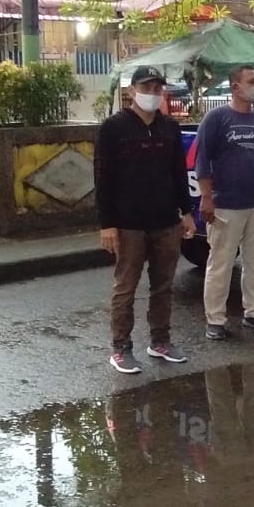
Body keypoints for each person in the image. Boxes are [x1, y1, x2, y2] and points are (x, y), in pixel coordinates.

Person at [96, 65, 195, 374]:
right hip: (129, 224)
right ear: (131, 91)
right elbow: (103, 177)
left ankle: (160, 341)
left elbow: (178, 173)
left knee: (163, 286)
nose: (152, 93)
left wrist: (186, 212)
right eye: (146, 87)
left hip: (166, 221)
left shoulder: (169, 128)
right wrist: (107, 224)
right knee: (126, 287)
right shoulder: (114, 128)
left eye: (157, 88)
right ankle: (121, 348)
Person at [195, 65, 254, 341]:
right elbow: (202, 161)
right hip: (226, 204)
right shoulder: (216, 118)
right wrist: (206, 198)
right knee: (221, 264)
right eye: (252, 81)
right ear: (235, 87)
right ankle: (215, 319)